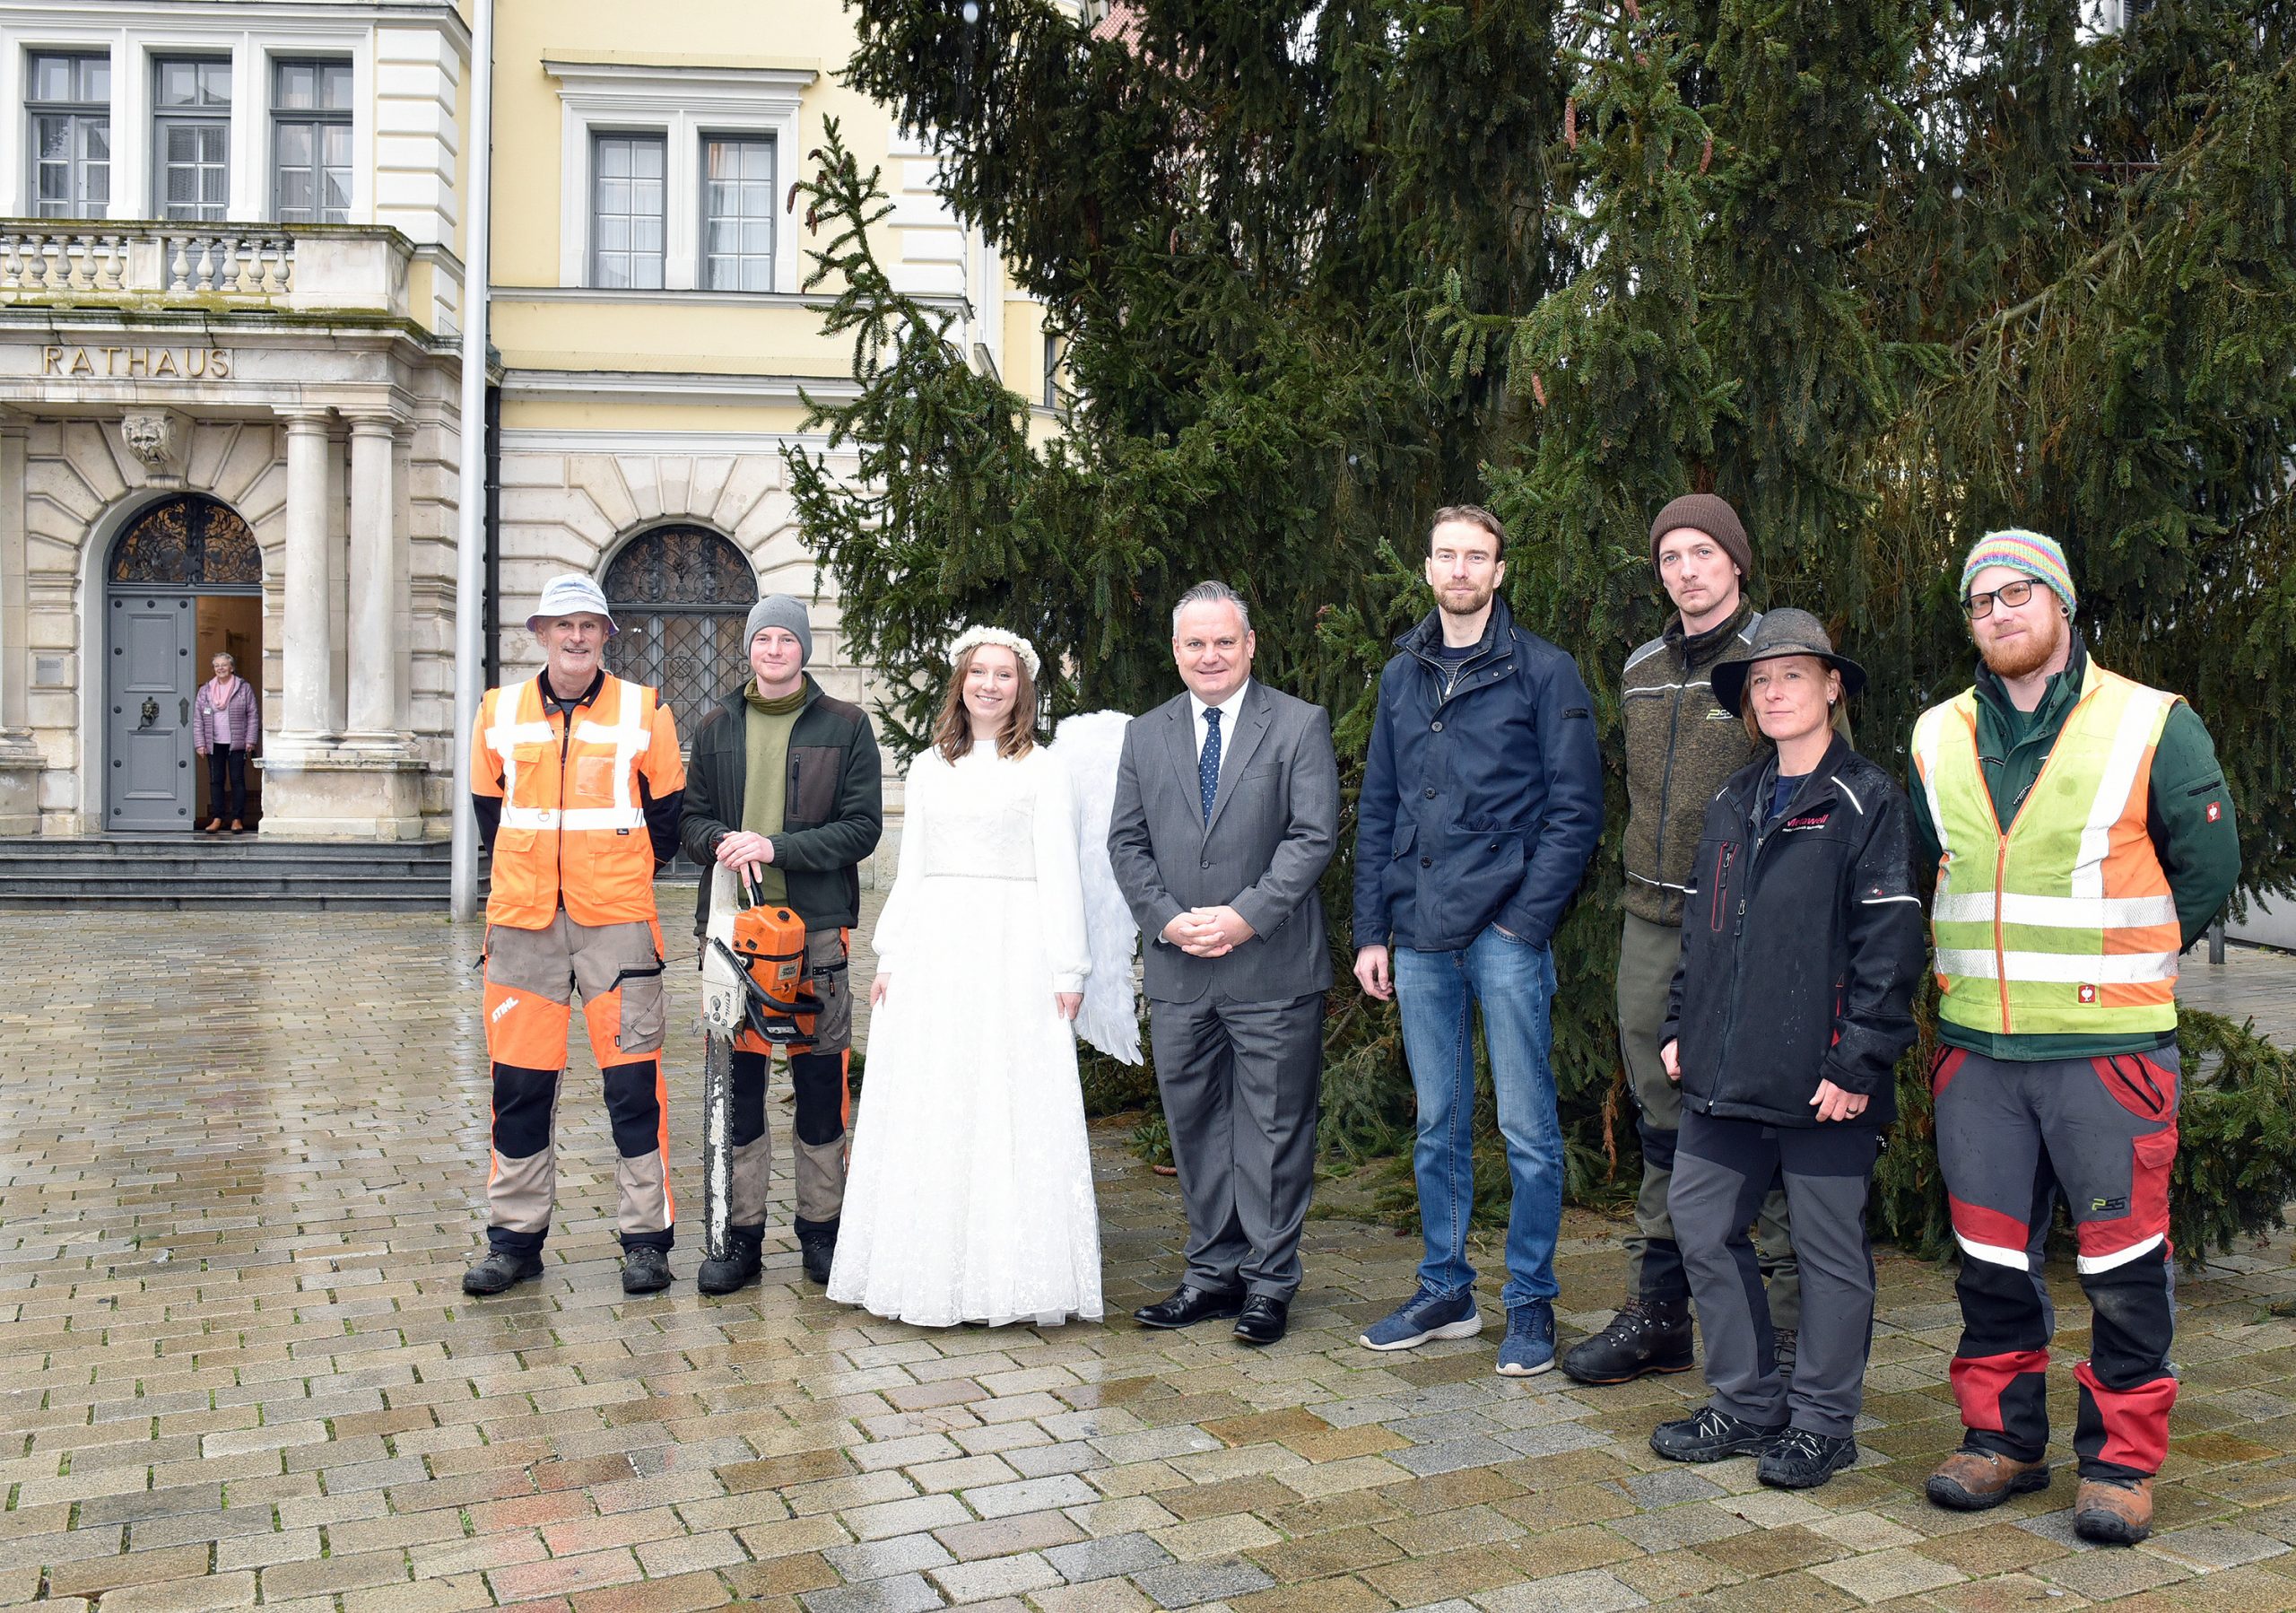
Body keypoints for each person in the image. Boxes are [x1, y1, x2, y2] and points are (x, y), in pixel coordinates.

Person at [1912, 530, 2239, 1545]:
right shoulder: (1933, 734)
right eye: (1981, 602)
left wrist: (2120, 966)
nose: (2000, 614)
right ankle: (2001, 1441)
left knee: (2126, 1261)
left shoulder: (2152, 722)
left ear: (2060, 605)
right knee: (1987, 1259)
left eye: (2019, 594)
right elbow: (1934, 870)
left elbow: (2208, 866)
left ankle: (2121, 1462)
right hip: (1978, 1055)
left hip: (2107, 1057)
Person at [1648, 609, 1925, 1488]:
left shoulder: (1868, 800)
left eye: (1793, 676)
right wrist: (1679, 1025)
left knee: (1827, 1251)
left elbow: (1890, 946)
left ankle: (1821, 1423)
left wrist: (1859, 1062)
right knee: (1699, 1221)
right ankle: (1743, 1401)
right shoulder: (1732, 801)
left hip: (1823, 1082)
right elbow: (1704, 932)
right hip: (1725, 1075)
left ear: (1831, 686)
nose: (1773, 692)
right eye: (1760, 681)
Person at [1352, 505, 1604, 1375]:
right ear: (1427, 569)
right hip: (1417, 932)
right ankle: (1445, 1288)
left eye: (1477, 556)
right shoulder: (1402, 674)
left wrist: (1523, 921)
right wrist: (1370, 931)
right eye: (1446, 555)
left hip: (1504, 932)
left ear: (1500, 572)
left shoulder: (1545, 672)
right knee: (1437, 1123)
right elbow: (1377, 807)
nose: (1460, 569)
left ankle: (1530, 1303)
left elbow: (1576, 812)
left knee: (1526, 1126)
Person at [1566, 493, 1802, 1386]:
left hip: (1747, 931)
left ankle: (1783, 1332)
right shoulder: (1638, 667)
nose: (1687, 571)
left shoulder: (1774, 662)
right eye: (1670, 557)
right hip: (1650, 922)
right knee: (1663, 1121)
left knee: (1756, 1120)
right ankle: (1660, 1313)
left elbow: (1815, 790)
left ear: (1735, 562)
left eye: (1703, 552)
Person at [827, 626, 1101, 1326]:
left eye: (1003, 675)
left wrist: (1068, 965)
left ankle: (1008, 1276)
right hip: (937, 945)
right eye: (978, 673)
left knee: (1007, 1097)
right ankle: (929, 1269)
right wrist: (890, 954)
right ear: (961, 682)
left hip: (1016, 944)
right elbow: (911, 866)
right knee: (938, 1095)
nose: (989, 685)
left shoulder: (1043, 769)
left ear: (1022, 688)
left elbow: (1060, 873)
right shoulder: (928, 767)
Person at [1109, 580, 1340, 1347]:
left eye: (1224, 642)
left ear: (1250, 646)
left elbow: (1312, 837)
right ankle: (1212, 1273)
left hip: (1270, 965)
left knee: (1274, 1129)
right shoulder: (1146, 735)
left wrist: (1244, 917)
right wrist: (1169, 921)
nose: (1210, 656)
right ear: (1176, 652)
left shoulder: (1298, 725)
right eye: (1194, 644)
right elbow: (1127, 843)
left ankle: (1270, 1284)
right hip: (1180, 968)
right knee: (1196, 1125)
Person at [463, 574, 685, 1297]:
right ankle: (514, 1241)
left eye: (590, 624)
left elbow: (669, 815)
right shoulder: (497, 711)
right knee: (518, 1087)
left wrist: (618, 873)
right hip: (523, 923)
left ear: (606, 635)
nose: (577, 636)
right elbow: (488, 811)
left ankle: (646, 1240)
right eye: (564, 625)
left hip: (616, 921)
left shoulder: (645, 710)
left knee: (633, 1087)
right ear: (540, 633)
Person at [679, 595, 884, 1292]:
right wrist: (720, 843)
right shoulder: (714, 728)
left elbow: (862, 829)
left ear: (803, 650)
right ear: (750, 649)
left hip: (817, 930)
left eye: (785, 639)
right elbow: (690, 821)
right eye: (763, 638)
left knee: (820, 1082)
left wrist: (779, 846)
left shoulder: (847, 727)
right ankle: (739, 1239)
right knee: (739, 1087)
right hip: (732, 932)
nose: (774, 649)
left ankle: (822, 1232)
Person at [194, 652, 260, 833]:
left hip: (237, 743)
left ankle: (237, 819)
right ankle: (218, 818)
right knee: (216, 781)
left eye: (224, 665)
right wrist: (200, 743)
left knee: (237, 781)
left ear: (232, 667)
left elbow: (252, 715)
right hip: (213, 743)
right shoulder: (206, 690)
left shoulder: (243, 688)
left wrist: (251, 740)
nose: (220, 668)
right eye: (217, 665)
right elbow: (198, 719)